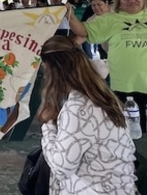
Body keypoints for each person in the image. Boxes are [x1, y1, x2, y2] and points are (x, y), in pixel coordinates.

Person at [37, 35, 136, 194]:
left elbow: (61, 168)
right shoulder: (104, 95)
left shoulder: (78, 108)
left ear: (52, 71)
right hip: (120, 187)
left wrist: (48, 127)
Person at [67, 0, 147, 132]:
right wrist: (69, 15)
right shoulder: (111, 19)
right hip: (126, 88)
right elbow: (83, 31)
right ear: (118, 1)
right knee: (134, 135)